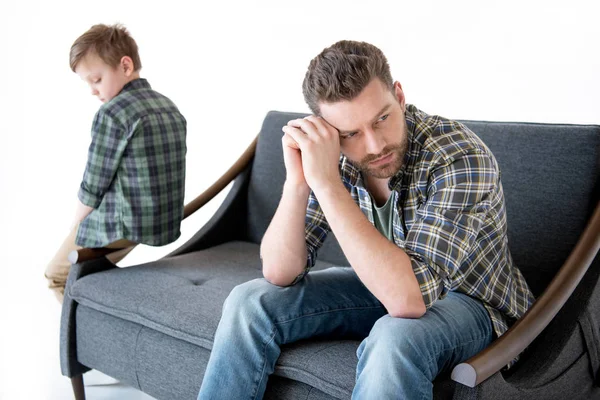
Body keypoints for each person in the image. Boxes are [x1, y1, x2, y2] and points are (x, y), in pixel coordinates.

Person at [197, 40, 534, 400]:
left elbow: (408, 301)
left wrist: (326, 185)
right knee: (249, 301)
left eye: (382, 118)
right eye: (350, 134)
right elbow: (280, 272)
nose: (374, 146)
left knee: (395, 338)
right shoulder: (335, 157)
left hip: (472, 302)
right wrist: (299, 182)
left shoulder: (458, 156)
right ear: (327, 130)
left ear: (399, 96)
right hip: (384, 285)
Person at [45, 24, 187, 304]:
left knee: (57, 276)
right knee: (91, 273)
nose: (92, 90)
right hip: (164, 223)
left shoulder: (112, 113)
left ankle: (85, 342)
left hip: (128, 226)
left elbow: (93, 184)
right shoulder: (169, 106)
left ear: (125, 65)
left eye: (96, 79)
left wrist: (76, 226)